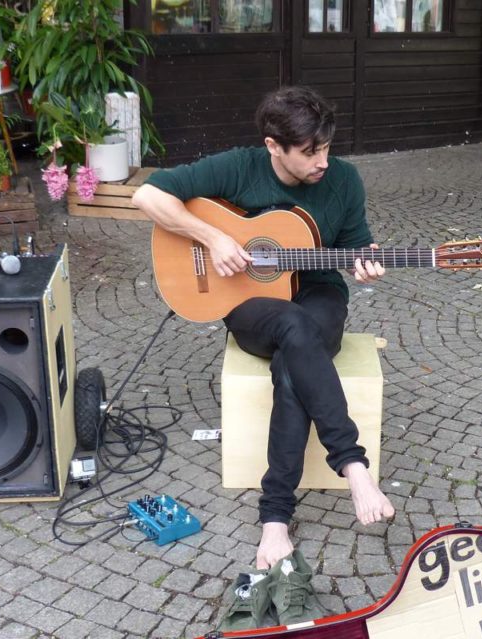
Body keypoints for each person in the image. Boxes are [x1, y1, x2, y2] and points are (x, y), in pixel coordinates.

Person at [132, 85, 395, 570]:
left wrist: (366, 262)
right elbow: (147, 194)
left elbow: (358, 244)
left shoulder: (344, 180)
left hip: (318, 296)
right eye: (310, 152)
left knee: (298, 345)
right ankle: (354, 466)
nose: (323, 161)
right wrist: (212, 237)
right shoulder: (239, 166)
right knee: (294, 330)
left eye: (327, 148)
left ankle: (277, 516)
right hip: (250, 303)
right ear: (274, 146)